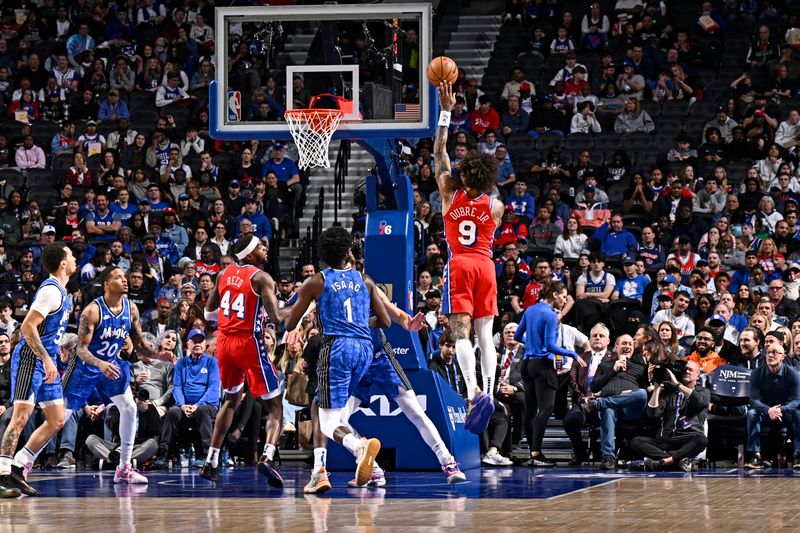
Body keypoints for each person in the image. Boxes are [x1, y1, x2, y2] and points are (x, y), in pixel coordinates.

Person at [301, 287, 466, 494]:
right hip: (354, 362)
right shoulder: (327, 289)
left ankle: (448, 462)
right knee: (338, 421)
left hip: (380, 358)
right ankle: (374, 469)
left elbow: (393, 313)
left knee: (414, 411)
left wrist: (408, 322)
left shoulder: (365, 285)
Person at [284, 227, 391, 488]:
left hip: (337, 349)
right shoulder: (365, 280)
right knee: (335, 411)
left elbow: (289, 325)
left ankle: (359, 449)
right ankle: (373, 470)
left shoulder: (316, 281)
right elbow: (385, 321)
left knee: (327, 421)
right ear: (347, 252)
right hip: (365, 348)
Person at [434, 82, 505, 435]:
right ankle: (490, 391)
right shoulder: (496, 207)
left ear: (464, 174)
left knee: (460, 333)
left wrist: (446, 111)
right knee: (486, 333)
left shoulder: (449, 192)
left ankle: (473, 390)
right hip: (486, 265)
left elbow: (439, 155)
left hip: (460, 263)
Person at [61, 266, 171, 487]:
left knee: (129, 408)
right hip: (85, 367)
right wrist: (100, 363)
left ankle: (124, 468)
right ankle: (21, 463)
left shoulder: (131, 309)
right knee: (59, 419)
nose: (125, 280)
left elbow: (139, 343)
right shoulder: (92, 311)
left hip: (110, 367)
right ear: (107, 284)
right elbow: (81, 349)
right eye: (119, 277)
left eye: (125, 276)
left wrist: (161, 355)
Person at [199, 234, 291, 488]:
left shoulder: (223, 274)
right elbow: (277, 317)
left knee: (231, 400)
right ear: (250, 255)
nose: (264, 249)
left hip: (225, 342)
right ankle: (267, 456)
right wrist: (301, 304)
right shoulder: (261, 277)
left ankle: (211, 461)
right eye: (260, 246)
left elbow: (208, 313)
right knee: (275, 405)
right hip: (248, 342)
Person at [0, 244, 77, 498]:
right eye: (71, 255)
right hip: (31, 359)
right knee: (21, 416)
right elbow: (27, 327)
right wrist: (46, 359)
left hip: (47, 360)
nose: (75, 258)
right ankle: (1, 474)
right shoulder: (51, 291)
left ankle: (18, 466)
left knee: (57, 420)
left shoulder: (64, 293)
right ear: (63, 263)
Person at [515, 281, 585, 466]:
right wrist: (572, 352)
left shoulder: (529, 310)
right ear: (554, 294)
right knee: (546, 409)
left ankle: (532, 453)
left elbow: (516, 337)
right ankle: (537, 454)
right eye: (563, 296)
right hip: (542, 366)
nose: (564, 301)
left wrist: (531, 343)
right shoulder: (551, 315)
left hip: (527, 364)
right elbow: (550, 346)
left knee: (530, 411)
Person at [630, 360, 709, 472]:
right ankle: (674, 461)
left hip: (687, 440)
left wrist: (677, 384)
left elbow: (700, 401)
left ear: (698, 375)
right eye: (685, 369)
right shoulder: (668, 392)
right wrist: (657, 388)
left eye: (690, 370)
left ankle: (664, 462)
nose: (687, 371)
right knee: (637, 441)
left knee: (701, 440)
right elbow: (653, 414)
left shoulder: (703, 391)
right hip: (665, 440)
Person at [744, 340, 800, 469]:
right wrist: (769, 410)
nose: (770, 355)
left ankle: (798, 454)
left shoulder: (793, 374)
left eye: (775, 353)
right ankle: (755, 455)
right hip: (764, 411)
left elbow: (797, 400)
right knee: (752, 413)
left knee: (798, 414)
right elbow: (753, 400)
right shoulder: (756, 373)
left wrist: (781, 410)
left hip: (786, 412)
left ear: (783, 356)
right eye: (768, 352)